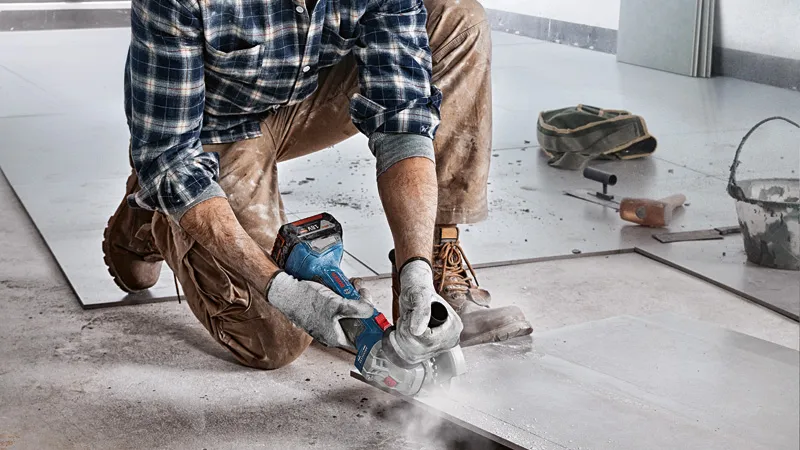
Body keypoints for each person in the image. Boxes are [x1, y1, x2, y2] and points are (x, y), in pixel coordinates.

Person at [103, 0, 532, 369]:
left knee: (455, 18)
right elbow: (170, 155)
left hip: (307, 92)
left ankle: (432, 272)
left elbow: (402, 117)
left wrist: (414, 268)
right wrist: (283, 289)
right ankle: (154, 213)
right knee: (276, 338)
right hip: (213, 129)